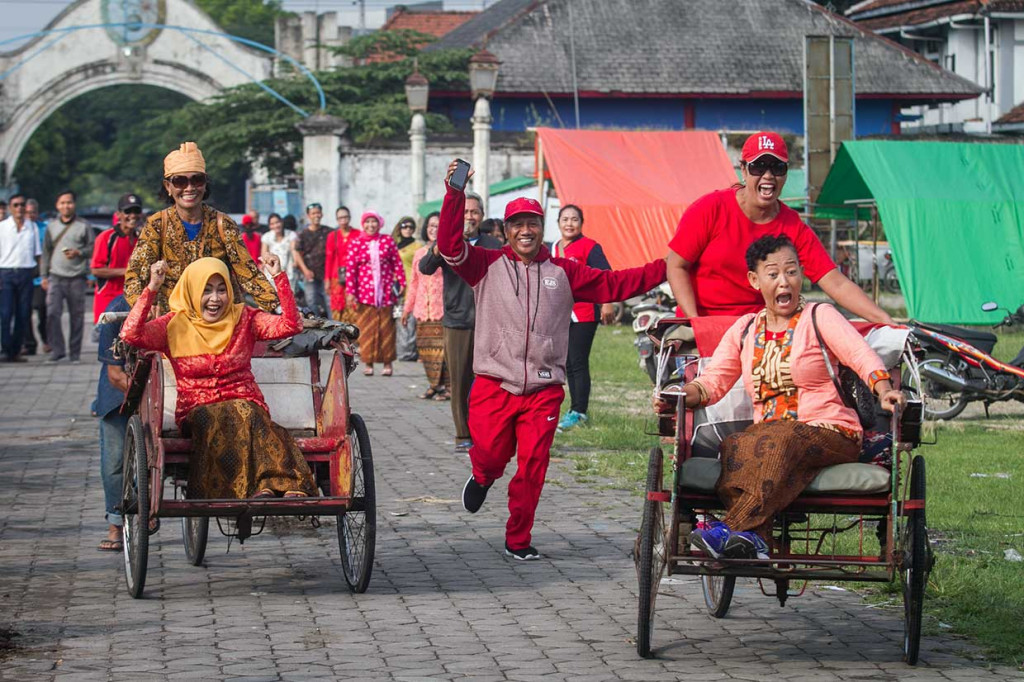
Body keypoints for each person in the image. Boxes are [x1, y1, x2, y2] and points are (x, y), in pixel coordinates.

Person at [438, 161, 668, 560]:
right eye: (517, 224)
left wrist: (670, 265)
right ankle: (482, 475)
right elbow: (449, 246)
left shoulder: (564, 271)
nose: (525, 230)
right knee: (491, 453)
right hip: (494, 383)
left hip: (544, 389)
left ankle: (518, 539)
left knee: (533, 466)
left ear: (541, 228)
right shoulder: (486, 265)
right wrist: (455, 194)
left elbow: (618, 284)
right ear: (506, 231)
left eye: (533, 223)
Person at [679, 235, 904, 560]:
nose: (784, 281)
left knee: (779, 441)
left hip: (830, 432)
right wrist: (680, 395)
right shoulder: (745, 329)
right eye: (773, 274)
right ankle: (754, 538)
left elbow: (861, 355)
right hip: (769, 437)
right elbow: (712, 382)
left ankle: (732, 530)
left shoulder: (820, 316)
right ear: (755, 280)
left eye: (792, 271)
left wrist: (884, 389)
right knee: (735, 446)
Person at [121, 256, 316, 499]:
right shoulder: (172, 325)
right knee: (226, 414)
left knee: (247, 411)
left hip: (247, 404)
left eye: (222, 290)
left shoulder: (245, 318)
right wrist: (152, 288)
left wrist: (279, 278)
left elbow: (291, 326)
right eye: (207, 290)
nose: (215, 299)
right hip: (197, 409)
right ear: (192, 291)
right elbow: (130, 335)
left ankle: (272, 485)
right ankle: (245, 488)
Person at [666, 131, 894, 325]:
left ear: (785, 172)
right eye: (758, 167)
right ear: (743, 170)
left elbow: (835, 282)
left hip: (761, 332)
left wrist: (886, 322)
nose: (768, 175)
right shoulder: (709, 209)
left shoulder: (793, 226)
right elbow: (676, 266)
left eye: (777, 167)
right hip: (708, 324)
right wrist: (694, 322)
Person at [124, 142, 279, 313]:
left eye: (196, 180)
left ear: (205, 184)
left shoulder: (223, 224)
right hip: (173, 322)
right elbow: (135, 276)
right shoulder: (157, 224)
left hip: (220, 320)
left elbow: (248, 273)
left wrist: (279, 306)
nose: (189, 188)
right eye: (180, 181)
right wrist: (143, 309)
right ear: (168, 187)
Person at [419, 192, 501, 451]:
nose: (470, 217)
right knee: (460, 381)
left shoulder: (494, 245)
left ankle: (488, 433)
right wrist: (438, 248)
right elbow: (425, 268)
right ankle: (463, 435)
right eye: (465, 212)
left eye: (474, 212)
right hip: (457, 320)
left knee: (490, 381)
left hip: (490, 322)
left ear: (482, 216)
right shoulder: (448, 244)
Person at [551, 204, 616, 432]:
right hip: (560, 314)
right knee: (567, 362)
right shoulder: (553, 248)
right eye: (565, 219)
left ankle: (580, 412)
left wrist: (607, 303)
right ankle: (573, 408)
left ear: (581, 223)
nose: (569, 223)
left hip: (584, 312)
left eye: (574, 219)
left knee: (578, 361)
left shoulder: (590, 247)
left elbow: (605, 276)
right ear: (558, 222)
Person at [345, 211, 405, 376]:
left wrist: (401, 281)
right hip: (364, 294)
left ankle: (388, 363)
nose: (370, 225)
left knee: (387, 329)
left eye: (374, 222)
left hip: (386, 293)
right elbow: (351, 269)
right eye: (367, 222)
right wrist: (350, 292)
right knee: (367, 329)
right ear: (363, 224)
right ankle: (369, 363)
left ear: (379, 224)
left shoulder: (387, 241)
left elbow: (397, 263)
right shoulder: (356, 243)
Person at [95, 294, 131, 551]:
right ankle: (115, 524)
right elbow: (114, 374)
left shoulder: (182, 299)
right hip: (119, 390)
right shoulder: (118, 310)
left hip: (166, 390)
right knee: (115, 459)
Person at [41, 190, 94, 363]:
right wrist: (44, 275)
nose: (66, 206)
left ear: (74, 204)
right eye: (62, 203)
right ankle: (58, 351)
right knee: (52, 313)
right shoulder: (51, 226)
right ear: (57, 205)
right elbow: (46, 252)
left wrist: (79, 252)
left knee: (76, 316)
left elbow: (93, 249)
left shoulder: (83, 225)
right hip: (55, 276)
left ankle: (75, 353)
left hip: (77, 277)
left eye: (69, 202)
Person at [402, 212, 448, 400]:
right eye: (430, 225)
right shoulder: (419, 253)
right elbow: (413, 283)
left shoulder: (448, 252)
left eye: (437, 226)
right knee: (426, 350)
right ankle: (433, 385)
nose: (433, 229)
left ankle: (447, 387)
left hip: (441, 309)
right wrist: (407, 309)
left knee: (444, 353)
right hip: (422, 309)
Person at [90, 194, 142, 325]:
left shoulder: (142, 239)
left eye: (136, 211)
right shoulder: (106, 237)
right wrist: (127, 272)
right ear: (118, 214)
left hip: (132, 301)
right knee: (107, 344)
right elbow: (96, 270)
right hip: (108, 301)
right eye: (128, 211)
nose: (133, 215)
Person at [0, 194, 40, 363]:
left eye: (22, 205)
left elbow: (38, 253)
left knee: (23, 314)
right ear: (10, 208)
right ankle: (6, 349)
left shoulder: (32, 227)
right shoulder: (2, 227)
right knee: (6, 313)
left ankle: (16, 350)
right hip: (6, 272)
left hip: (26, 272)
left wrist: (40, 273)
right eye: (16, 205)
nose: (19, 208)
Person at [293, 202, 330, 317]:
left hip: (326, 273)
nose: (316, 215)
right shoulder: (303, 234)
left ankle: (335, 327)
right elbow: (297, 252)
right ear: (308, 216)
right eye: (313, 213)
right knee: (311, 301)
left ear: (322, 214)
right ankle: (318, 328)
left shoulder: (329, 232)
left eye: (318, 213)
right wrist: (305, 270)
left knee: (329, 302)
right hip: (309, 274)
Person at [392, 216, 422, 361]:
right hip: (396, 289)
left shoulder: (417, 246)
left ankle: (409, 352)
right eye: (405, 226)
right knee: (398, 319)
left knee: (409, 320)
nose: (408, 229)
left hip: (411, 285)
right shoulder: (394, 244)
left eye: (411, 227)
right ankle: (400, 350)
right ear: (400, 228)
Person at [324, 206, 360, 322]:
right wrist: (327, 279)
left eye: (345, 217)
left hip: (355, 276)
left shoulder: (358, 234)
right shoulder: (332, 236)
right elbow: (329, 258)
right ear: (337, 220)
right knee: (337, 307)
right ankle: (339, 336)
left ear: (349, 218)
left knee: (353, 306)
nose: (343, 220)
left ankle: (355, 336)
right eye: (340, 218)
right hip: (336, 277)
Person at [22, 199, 47, 356]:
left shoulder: (45, 229)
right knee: (24, 312)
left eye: (33, 212)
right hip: (24, 275)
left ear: (37, 213)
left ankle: (46, 339)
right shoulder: (19, 229)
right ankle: (29, 343)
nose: (30, 216)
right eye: (27, 213)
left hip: (40, 277)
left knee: (42, 309)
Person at [260, 213, 297, 288]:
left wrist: (296, 262)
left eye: (277, 222)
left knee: (288, 297)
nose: (276, 225)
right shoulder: (266, 237)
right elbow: (264, 254)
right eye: (272, 224)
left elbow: (294, 250)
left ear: (282, 222)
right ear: (270, 226)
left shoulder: (291, 235)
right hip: (271, 274)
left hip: (288, 273)